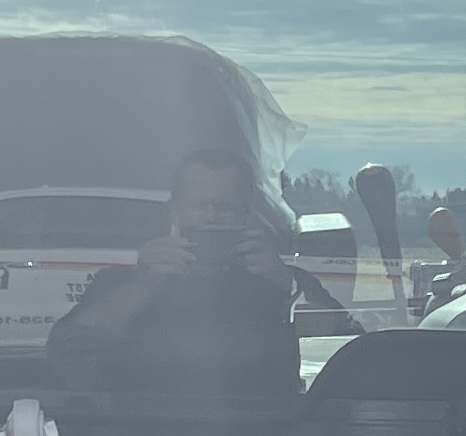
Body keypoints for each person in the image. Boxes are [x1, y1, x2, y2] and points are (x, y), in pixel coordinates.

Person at [44, 148, 301, 395]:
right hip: (150, 429)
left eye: (224, 207)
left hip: (263, 430)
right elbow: (67, 347)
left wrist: (282, 284)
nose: (210, 217)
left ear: (245, 215)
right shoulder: (125, 282)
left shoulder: (274, 278)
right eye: (199, 206)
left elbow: (335, 340)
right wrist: (145, 286)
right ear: (173, 211)